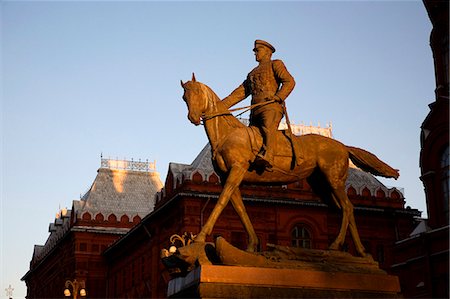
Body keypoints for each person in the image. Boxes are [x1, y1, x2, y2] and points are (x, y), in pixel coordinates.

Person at [222, 39, 296, 169]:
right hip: (255, 110)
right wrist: (219, 106)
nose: (255, 53)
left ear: (267, 52)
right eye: (255, 51)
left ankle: (269, 155)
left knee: (268, 127)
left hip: (270, 106)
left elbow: (289, 81)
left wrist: (278, 96)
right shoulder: (252, 73)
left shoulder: (276, 64)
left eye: (258, 50)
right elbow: (238, 94)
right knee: (250, 136)